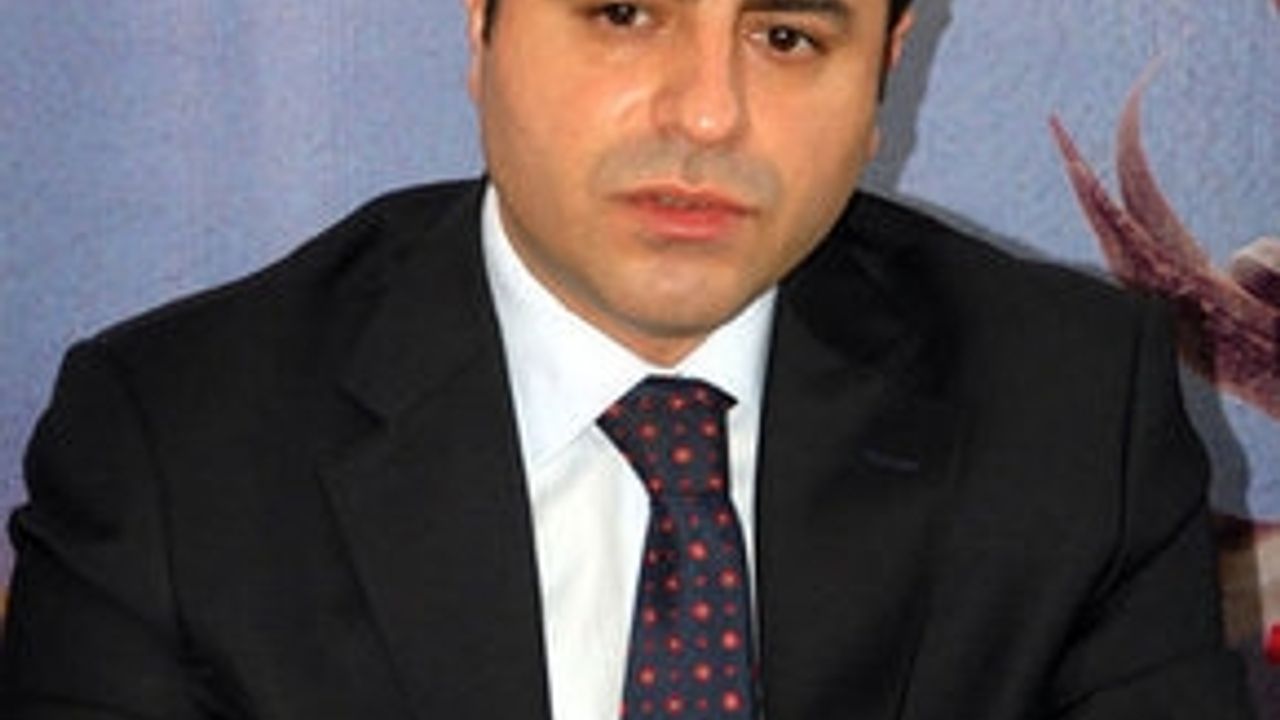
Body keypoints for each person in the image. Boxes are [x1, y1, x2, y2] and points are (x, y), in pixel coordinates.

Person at [0, 0, 1256, 717]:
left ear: (884, 70)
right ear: (481, 27)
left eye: (785, 37)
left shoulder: (1071, 408)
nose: (705, 112)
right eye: (622, 13)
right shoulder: (171, 448)